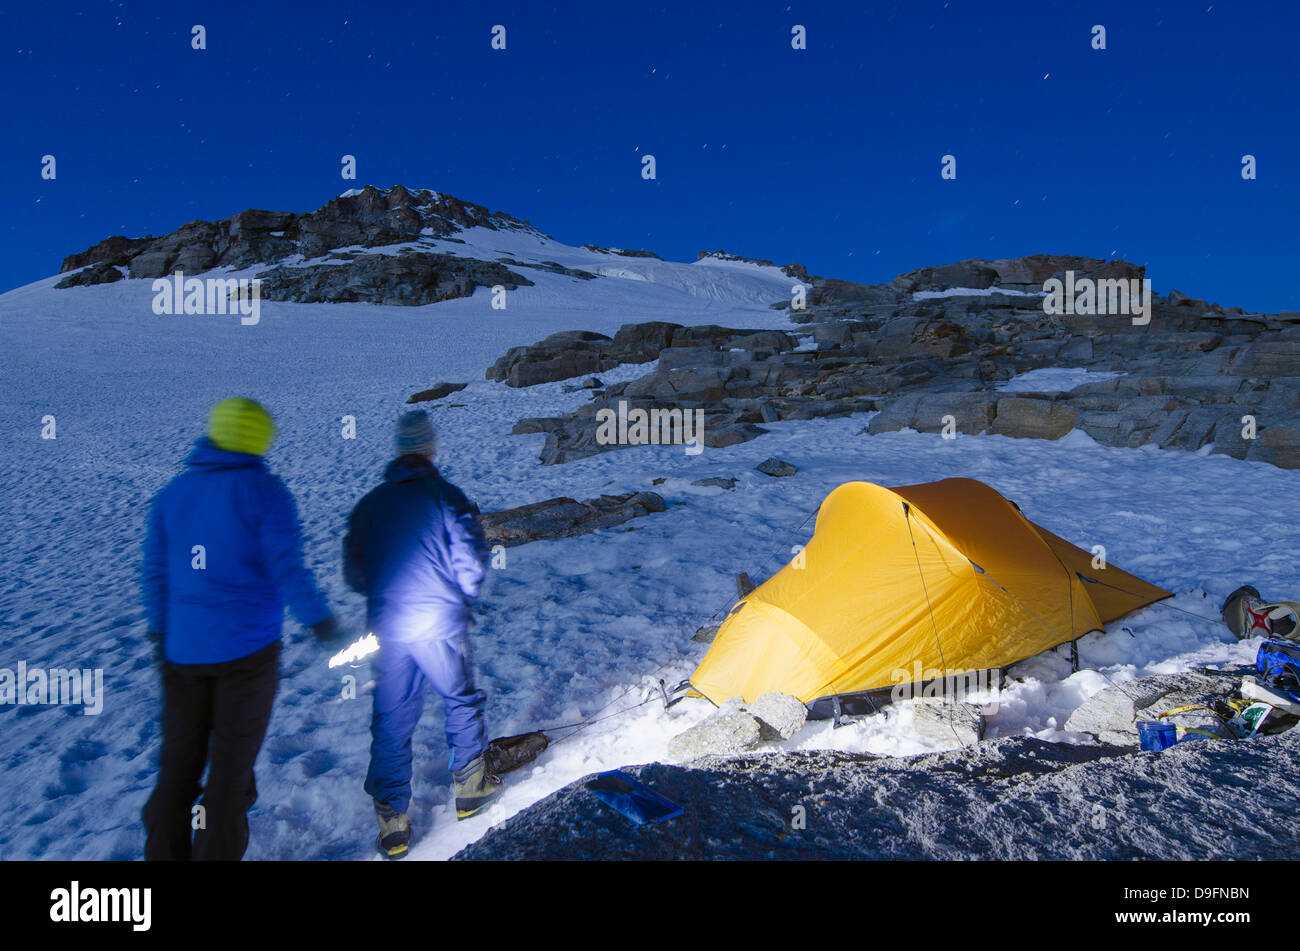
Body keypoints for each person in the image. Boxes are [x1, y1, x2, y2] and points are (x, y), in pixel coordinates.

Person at [140, 397, 339, 860]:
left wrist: (159, 631)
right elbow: (286, 568)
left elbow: (154, 572)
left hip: (181, 654)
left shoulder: (174, 493)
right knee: (230, 773)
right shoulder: (265, 492)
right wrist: (319, 620)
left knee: (178, 766)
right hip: (247, 657)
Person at [344, 410, 497, 860]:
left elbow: (355, 572)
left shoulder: (370, 504)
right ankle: (470, 787)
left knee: (392, 717)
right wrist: (461, 598)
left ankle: (393, 821)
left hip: (389, 628)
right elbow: (471, 561)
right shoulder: (447, 497)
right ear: (431, 449)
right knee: (460, 699)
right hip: (439, 623)